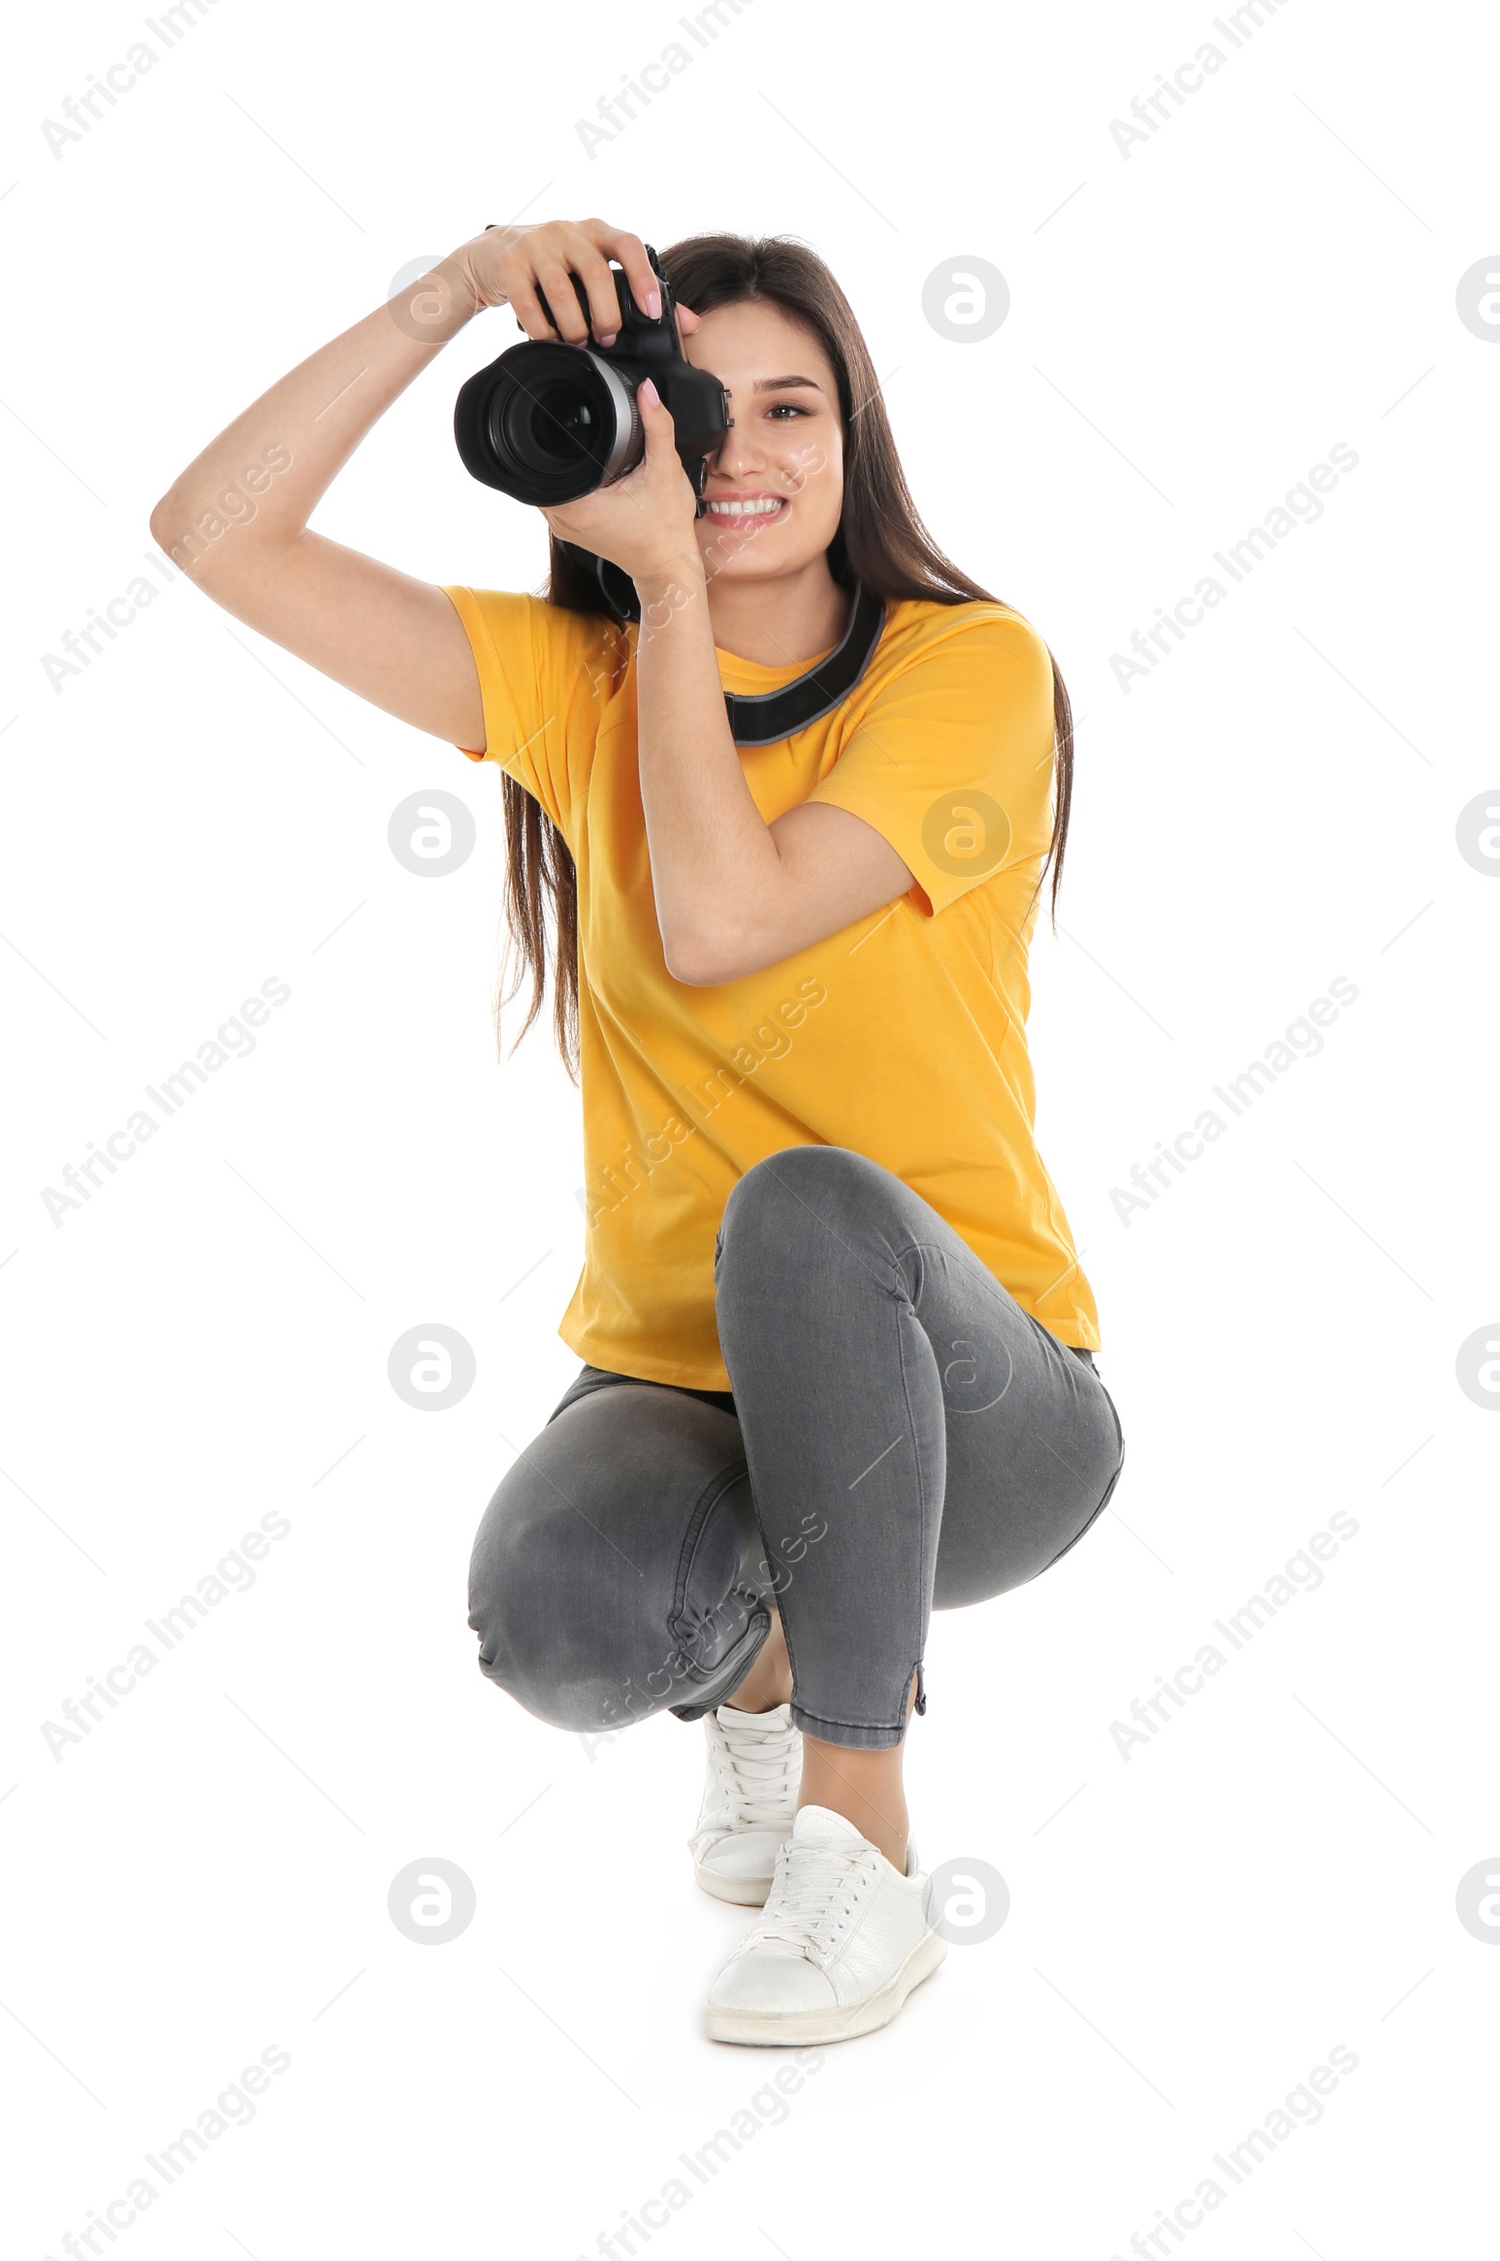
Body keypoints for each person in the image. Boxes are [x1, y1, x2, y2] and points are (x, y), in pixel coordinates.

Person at [150, 216, 1125, 2049]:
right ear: (612, 427)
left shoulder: (968, 674)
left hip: (986, 1407)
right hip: (684, 1387)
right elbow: (214, 535)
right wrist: (446, 298)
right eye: (692, 408)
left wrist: (670, 591)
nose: (741, 455)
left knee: (810, 1210)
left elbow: (725, 917)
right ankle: (753, 1682)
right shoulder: (572, 686)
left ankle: (865, 1841)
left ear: (859, 446)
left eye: (791, 410)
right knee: (558, 1615)